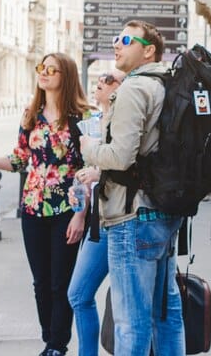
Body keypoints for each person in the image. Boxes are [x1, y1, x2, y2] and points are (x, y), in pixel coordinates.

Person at [0, 53, 93, 356]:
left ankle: (57, 345)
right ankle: (49, 338)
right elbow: (18, 160)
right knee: (41, 281)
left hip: (66, 210)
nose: (44, 73)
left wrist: (80, 215)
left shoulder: (83, 117)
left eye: (51, 69)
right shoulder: (31, 115)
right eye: (41, 68)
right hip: (32, 208)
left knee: (60, 282)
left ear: (65, 76)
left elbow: (88, 171)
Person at [79, 20, 185, 355]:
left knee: (131, 322)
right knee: (166, 313)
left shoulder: (134, 89)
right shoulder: (168, 85)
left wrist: (86, 147)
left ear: (148, 49)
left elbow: (120, 157)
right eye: (116, 39)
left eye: (126, 39)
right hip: (165, 210)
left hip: (131, 216)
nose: (117, 44)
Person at [67, 69, 126, 356]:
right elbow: (85, 171)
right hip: (98, 220)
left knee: (127, 305)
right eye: (100, 78)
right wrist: (79, 200)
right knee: (78, 294)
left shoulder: (123, 121)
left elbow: (127, 163)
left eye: (109, 78)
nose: (100, 82)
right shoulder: (89, 125)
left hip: (121, 219)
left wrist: (98, 173)